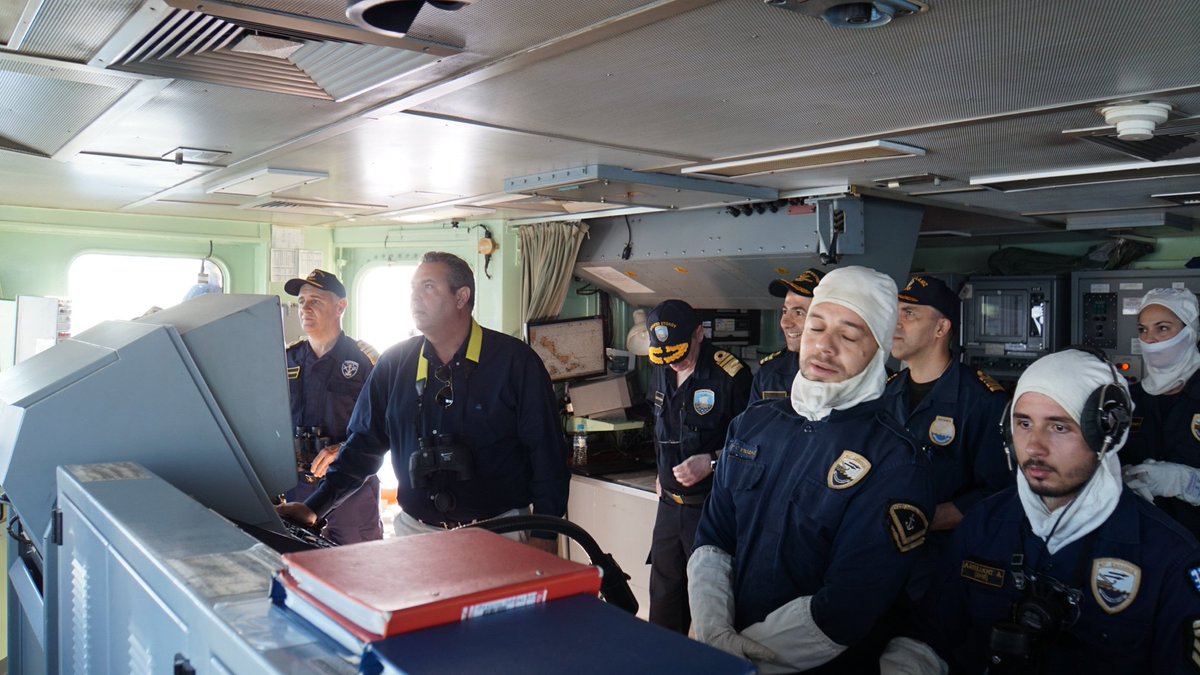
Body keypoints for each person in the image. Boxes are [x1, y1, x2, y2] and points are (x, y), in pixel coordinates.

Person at [688, 266, 932, 673]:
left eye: (849, 336)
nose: (825, 346)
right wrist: (713, 631)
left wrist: (739, 660)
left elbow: (846, 606)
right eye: (816, 327)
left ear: (879, 348)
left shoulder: (895, 462)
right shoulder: (754, 424)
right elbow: (714, 537)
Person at [900, 349, 1200, 674]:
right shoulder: (982, 525)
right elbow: (932, 636)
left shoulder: (1169, 559)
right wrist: (907, 663)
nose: (1034, 446)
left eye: (1059, 427)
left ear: (1108, 434)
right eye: (1024, 423)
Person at [277, 252, 569, 553]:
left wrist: (544, 534)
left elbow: (547, 453)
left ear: (461, 297)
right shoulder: (393, 364)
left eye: (428, 287)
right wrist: (314, 507)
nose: (415, 297)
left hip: (500, 531)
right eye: (413, 288)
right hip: (416, 532)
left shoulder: (514, 362)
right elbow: (362, 447)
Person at [885, 275, 1011, 598]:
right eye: (895, 312)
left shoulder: (983, 400)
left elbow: (998, 492)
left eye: (909, 314)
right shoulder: (886, 392)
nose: (895, 323)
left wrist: (922, 521)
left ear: (941, 328)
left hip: (943, 566)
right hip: (884, 558)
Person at [645, 299, 751, 634]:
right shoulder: (662, 367)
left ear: (699, 334)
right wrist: (660, 472)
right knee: (662, 608)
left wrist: (713, 462)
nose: (673, 363)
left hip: (710, 511)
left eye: (680, 353)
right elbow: (659, 426)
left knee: (713, 613)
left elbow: (753, 447)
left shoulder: (730, 376)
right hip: (668, 509)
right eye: (665, 356)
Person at [282, 269, 382, 544]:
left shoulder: (366, 361)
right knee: (296, 560)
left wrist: (342, 448)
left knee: (357, 563)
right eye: (301, 301)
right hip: (297, 487)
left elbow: (385, 426)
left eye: (315, 300)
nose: (305, 308)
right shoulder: (287, 359)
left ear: (341, 306)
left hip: (352, 491)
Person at [1121, 288, 1200, 538]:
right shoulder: (1129, 398)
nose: (1150, 339)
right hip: (1144, 537)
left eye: (1162, 328)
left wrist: (1183, 481)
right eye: (1143, 329)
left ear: (1190, 332)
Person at [750, 268, 824, 402]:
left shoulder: (850, 374)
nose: (785, 323)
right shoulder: (768, 375)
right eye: (785, 311)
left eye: (799, 313)